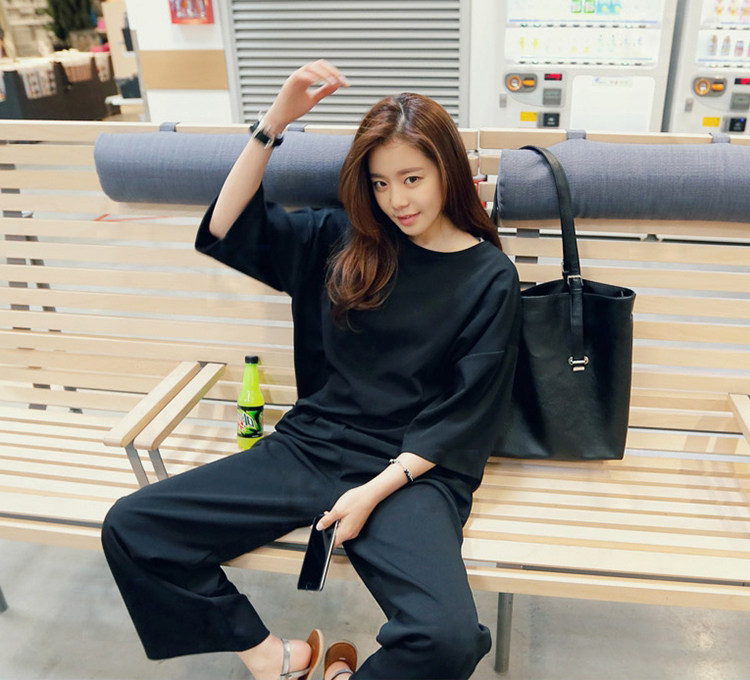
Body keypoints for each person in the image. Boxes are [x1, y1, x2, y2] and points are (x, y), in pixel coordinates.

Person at [101, 60, 522, 680]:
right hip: (311, 446)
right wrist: (274, 121)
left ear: (447, 172)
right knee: (134, 526)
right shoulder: (342, 240)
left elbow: (467, 413)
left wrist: (370, 494)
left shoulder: (489, 275)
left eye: (412, 178)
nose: (397, 200)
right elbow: (226, 227)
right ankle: (274, 658)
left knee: (448, 638)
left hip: (410, 470)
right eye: (381, 183)